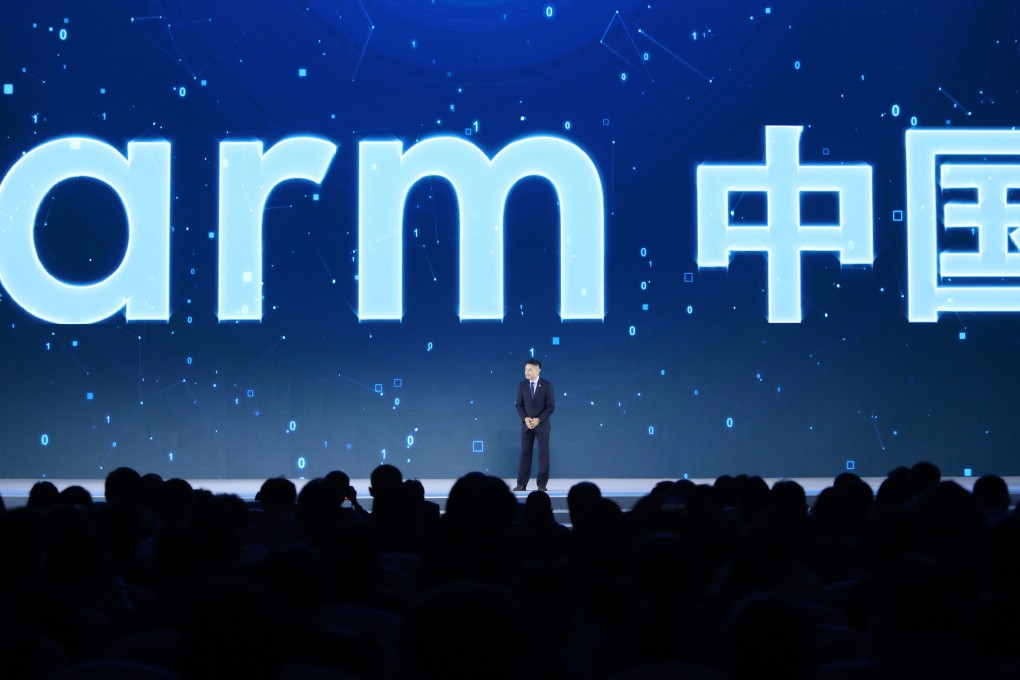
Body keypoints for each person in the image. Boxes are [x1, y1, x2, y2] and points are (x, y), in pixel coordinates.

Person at [514, 358, 555, 492]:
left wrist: (538, 419)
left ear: (538, 370)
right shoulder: (522, 385)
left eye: (530, 369)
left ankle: (541, 484)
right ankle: (521, 484)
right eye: (525, 369)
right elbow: (519, 405)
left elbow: (550, 407)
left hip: (542, 425)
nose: (527, 372)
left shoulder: (547, 385)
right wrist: (525, 418)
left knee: (543, 454)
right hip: (527, 426)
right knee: (525, 454)